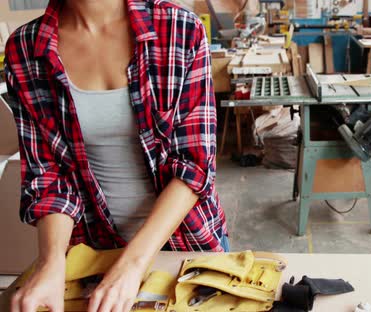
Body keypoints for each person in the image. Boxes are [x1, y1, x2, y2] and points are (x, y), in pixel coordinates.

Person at [4, 0, 228, 311]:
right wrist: (51, 262)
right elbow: (48, 176)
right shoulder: (25, 49)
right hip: (93, 251)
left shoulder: (178, 28)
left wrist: (132, 264)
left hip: (186, 246)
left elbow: (194, 167)